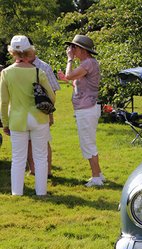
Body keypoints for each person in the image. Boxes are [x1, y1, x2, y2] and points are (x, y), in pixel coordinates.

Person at [0, 35, 55, 196]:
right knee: (40, 157)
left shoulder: (6, 73)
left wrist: (5, 123)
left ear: (12, 52)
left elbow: (3, 102)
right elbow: (51, 96)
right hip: (39, 118)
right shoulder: (38, 71)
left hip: (17, 119)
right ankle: (41, 192)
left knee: (18, 159)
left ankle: (17, 193)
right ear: (28, 51)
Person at [57, 34, 104, 187]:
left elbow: (71, 74)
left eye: (74, 47)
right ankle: (99, 174)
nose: (71, 50)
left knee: (88, 143)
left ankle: (96, 177)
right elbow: (77, 83)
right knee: (89, 142)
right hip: (87, 107)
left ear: (82, 49)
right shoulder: (88, 63)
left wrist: (69, 59)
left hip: (87, 109)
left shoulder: (88, 63)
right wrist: (67, 79)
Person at [25, 36, 60, 177]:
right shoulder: (16, 67)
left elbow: (53, 91)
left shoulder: (44, 67)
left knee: (43, 141)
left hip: (41, 111)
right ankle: (33, 170)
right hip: (23, 111)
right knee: (27, 141)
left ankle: (48, 171)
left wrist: (50, 113)